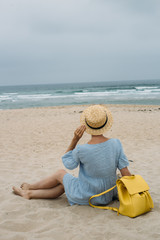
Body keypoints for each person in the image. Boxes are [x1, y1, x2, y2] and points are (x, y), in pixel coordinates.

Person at [13, 105, 131, 206]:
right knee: (63, 186)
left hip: (89, 195)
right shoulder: (116, 143)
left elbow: (68, 164)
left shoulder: (81, 149)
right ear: (105, 123)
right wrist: (133, 191)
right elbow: (125, 171)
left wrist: (75, 140)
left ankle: (31, 187)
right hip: (107, 194)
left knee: (60, 173)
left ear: (86, 125)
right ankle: (29, 193)